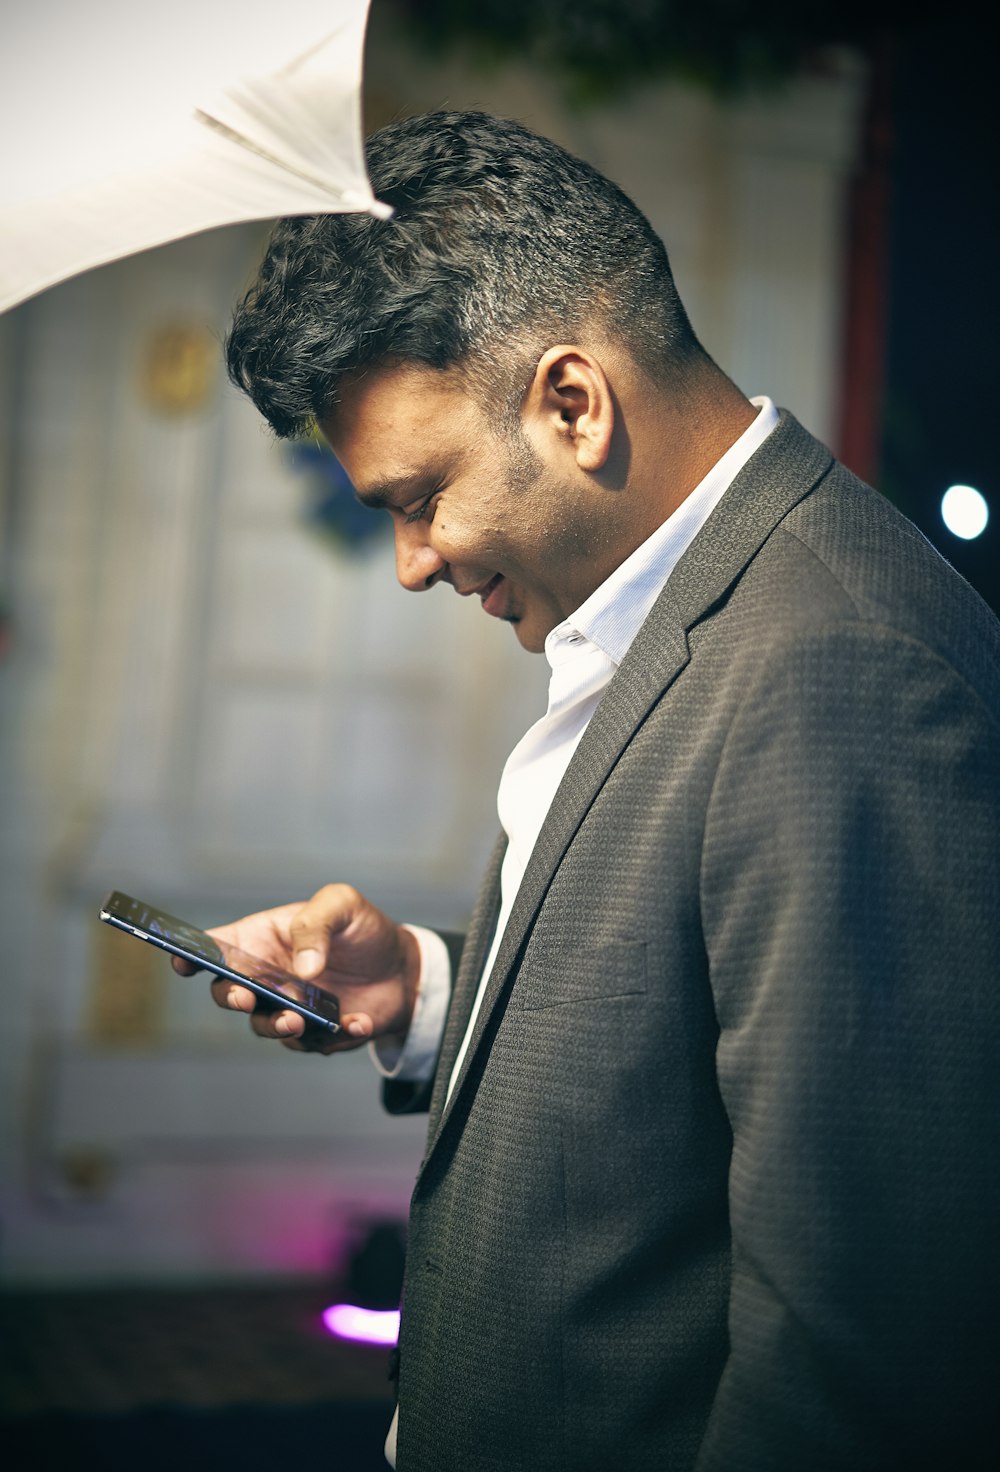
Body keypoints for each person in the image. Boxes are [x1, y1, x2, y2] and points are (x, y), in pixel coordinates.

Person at [182, 112, 1000, 1469]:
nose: (412, 561)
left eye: (421, 493)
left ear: (574, 401)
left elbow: (863, 1343)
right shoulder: (681, 609)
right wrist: (432, 994)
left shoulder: (840, 662)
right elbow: (700, 1044)